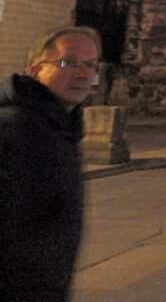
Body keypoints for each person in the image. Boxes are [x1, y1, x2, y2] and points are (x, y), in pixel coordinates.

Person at [1, 25, 101, 302]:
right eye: (67, 62)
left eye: (90, 65)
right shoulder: (14, 128)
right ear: (35, 70)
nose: (82, 74)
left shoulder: (59, 128)